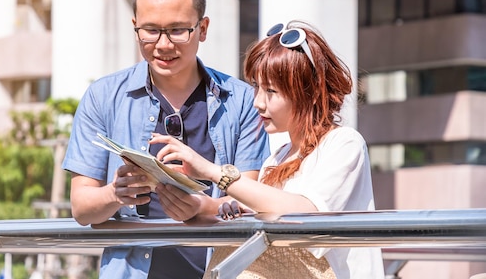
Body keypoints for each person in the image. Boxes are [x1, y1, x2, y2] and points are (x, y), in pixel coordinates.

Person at [62, 0, 269, 279]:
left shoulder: (240, 100)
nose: (163, 44)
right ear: (135, 26)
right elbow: (81, 207)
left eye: (177, 30)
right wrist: (115, 193)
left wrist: (200, 208)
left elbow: (248, 200)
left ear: (202, 28)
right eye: (150, 30)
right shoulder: (103, 96)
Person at [150, 20, 385, 279]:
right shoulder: (279, 155)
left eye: (271, 91)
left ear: (310, 93)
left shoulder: (344, 143)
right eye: (256, 87)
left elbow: (304, 212)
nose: (258, 103)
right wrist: (214, 208)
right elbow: (275, 212)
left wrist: (215, 172)